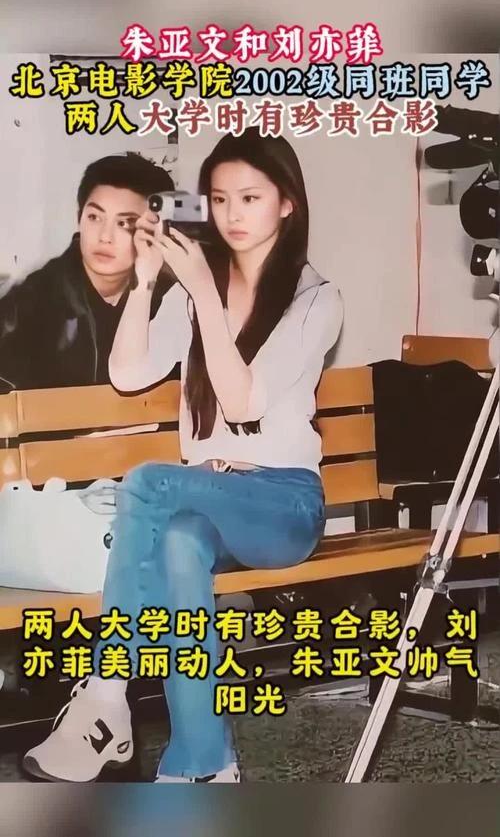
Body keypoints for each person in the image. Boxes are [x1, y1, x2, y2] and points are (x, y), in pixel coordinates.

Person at [23, 127, 344, 784]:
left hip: (283, 505)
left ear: (287, 203)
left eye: (249, 198)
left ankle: (106, 692)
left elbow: (243, 401)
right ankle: (204, 760)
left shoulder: (316, 299)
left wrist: (204, 295)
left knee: (148, 482)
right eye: (219, 200)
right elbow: (128, 373)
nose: (231, 215)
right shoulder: (197, 287)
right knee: (178, 542)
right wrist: (146, 282)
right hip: (208, 499)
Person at [0, 152, 177, 390]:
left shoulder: (172, 298)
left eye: (124, 223)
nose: (105, 236)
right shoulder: (30, 300)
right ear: (79, 218)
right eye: (94, 217)